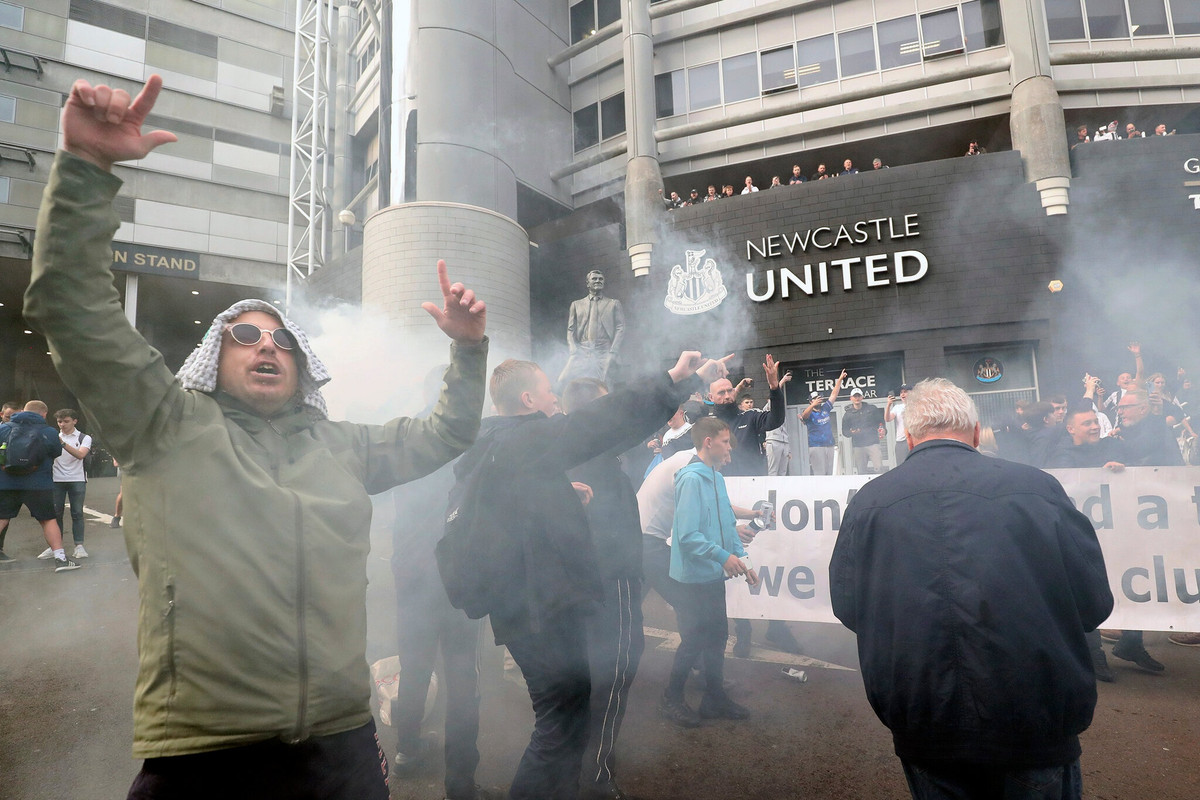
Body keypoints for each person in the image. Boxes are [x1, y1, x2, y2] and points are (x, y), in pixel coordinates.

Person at [27, 75, 490, 799]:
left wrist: (467, 351)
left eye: (281, 340)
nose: (266, 345)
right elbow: (71, 307)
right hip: (209, 749)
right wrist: (87, 169)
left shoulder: (339, 445)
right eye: (243, 336)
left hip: (341, 739)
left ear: (302, 367)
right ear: (214, 359)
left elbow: (446, 433)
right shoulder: (167, 425)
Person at [459, 352, 727, 800]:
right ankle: (594, 779)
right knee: (568, 713)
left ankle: (581, 780)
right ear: (528, 399)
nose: (554, 401)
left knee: (567, 712)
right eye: (547, 392)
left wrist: (565, 500)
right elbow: (611, 422)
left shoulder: (494, 443)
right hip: (550, 598)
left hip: (536, 599)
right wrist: (678, 380)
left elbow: (522, 508)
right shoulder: (529, 442)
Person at [830, 379, 1113, 800]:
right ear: (977, 433)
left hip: (924, 715)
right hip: (1033, 714)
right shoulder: (1037, 487)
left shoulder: (870, 502)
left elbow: (848, 605)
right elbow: (1094, 601)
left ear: (910, 438)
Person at [387, 371, 492, 800]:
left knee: (414, 665)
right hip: (455, 574)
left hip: (411, 570)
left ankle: (407, 750)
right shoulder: (467, 438)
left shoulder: (408, 435)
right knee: (463, 674)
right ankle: (460, 783)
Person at [563, 378, 646, 800]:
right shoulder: (593, 455)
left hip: (582, 583)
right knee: (615, 672)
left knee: (583, 677)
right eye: (606, 405)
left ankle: (575, 764)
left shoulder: (567, 453)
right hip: (611, 582)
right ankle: (595, 775)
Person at [659, 417, 760, 728]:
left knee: (717, 636)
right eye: (725, 442)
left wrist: (744, 560)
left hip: (711, 574)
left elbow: (727, 526)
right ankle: (671, 698)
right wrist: (723, 556)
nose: (730, 447)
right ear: (708, 442)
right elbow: (687, 536)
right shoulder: (691, 479)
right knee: (694, 639)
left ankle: (714, 698)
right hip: (692, 578)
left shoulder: (716, 477)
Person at [1045, 406, 1128, 682]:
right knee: (1087, 588)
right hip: (1080, 536)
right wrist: (1097, 477)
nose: (1094, 427)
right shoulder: (1061, 456)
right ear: (1070, 429)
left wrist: (1120, 470)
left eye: (1095, 422)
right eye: (1087, 423)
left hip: (1115, 530)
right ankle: (1095, 655)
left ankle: (1132, 644)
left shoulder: (1110, 446)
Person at [0, 401, 77, 571]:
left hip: (7, 483)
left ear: (23, 411)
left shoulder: (3, 429)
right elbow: (56, 452)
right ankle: (61, 560)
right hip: (38, 484)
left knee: (2, 519)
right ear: (44, 413)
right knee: (48, 520)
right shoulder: (48, 431)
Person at [559, 270, 625, 386]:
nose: (598, 281)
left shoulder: (613, 303)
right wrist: (573, 347)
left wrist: (613, 351)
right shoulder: (576, 304)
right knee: (564, 381)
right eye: (594, 279)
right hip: (583, 350)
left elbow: (621, 328)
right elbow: (571, 330)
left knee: (605, 385)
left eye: (600, 279)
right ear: (587, 283)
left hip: (604, 350)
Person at [50, 408, 92, 560]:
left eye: (66, 421)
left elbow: (80, 455)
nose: (62, 425)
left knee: (77, 512)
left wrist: (61, 443)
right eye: (59, 421)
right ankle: (55, 547)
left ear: (75, 421)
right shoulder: (54, 437)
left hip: (77, 478)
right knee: (55, 514)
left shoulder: (84, 437)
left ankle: (79, 546)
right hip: (57, 479)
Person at [801, 370, 847, 475]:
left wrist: (840, 379)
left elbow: (834, 394)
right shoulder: (809, 412)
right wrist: (812, 405)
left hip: (830, 445)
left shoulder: (825, 408)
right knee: (819, 473)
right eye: (815, 399)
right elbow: (804, 416)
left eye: (819, 397)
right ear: (810, 401)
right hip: (816, 446)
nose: (818, 399)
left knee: (831, 472)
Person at [840, 389, 884, 474]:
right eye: (855, 396)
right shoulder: (847, 414)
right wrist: (852, 433)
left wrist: (883, 429)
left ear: (862, 397)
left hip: (873, 443)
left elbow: (880, 422)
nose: (857, 398)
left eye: (859, 396)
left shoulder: (872, 409)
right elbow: (845, 431)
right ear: (851, 398)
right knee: (861, 471)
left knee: (879, 468)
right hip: (858, 446)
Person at [884, 384, 911, 464]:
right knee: (901, 465)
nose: (902, 394)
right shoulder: (897, 407)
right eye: (901, 392)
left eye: (905, 392)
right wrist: (888, 405)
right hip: (901, 441)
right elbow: (887, 419)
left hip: (913, 439)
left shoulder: (917, 406)